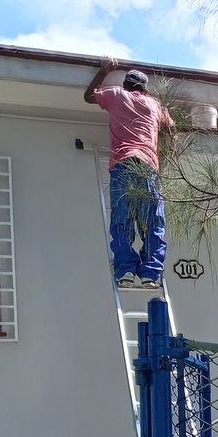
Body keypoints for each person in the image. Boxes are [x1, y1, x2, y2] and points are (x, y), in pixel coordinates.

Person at [84, 57, 175, 290]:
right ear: (145, 88)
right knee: (152, 220)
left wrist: (104, 70)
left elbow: (89, 96)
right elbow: (172, 128)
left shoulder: (116, 94)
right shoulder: (155, 105)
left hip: (123, 164)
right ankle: (151, 272)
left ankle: (125, 271)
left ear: (126, 85)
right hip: (147, 166)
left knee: (122, 219)